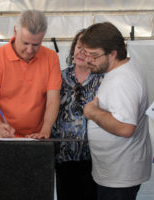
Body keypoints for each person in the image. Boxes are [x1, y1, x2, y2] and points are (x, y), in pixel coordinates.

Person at [82, 22, 152, 200]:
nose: (88, 60)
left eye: (94, 55)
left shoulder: (123, 80)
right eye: (86, 54)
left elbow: (125, 128)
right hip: (116, 173)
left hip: (120, 177)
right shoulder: (118, 72)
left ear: (112, 53)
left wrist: (92, 112)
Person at [0, 10, 62, 139]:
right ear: (15, 31)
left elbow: (53, 100)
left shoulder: (51, 58)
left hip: (36, 137)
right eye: (25, 43)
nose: (30, 50)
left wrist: (46, 130)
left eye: (36, 45)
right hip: (2, 137)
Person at [51, 29, 103, 200]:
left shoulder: (103, 79)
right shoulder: (59, 77)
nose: (81, 52)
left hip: (94, 156)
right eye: (79, 47)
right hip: (63, 155)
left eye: (87, 50)